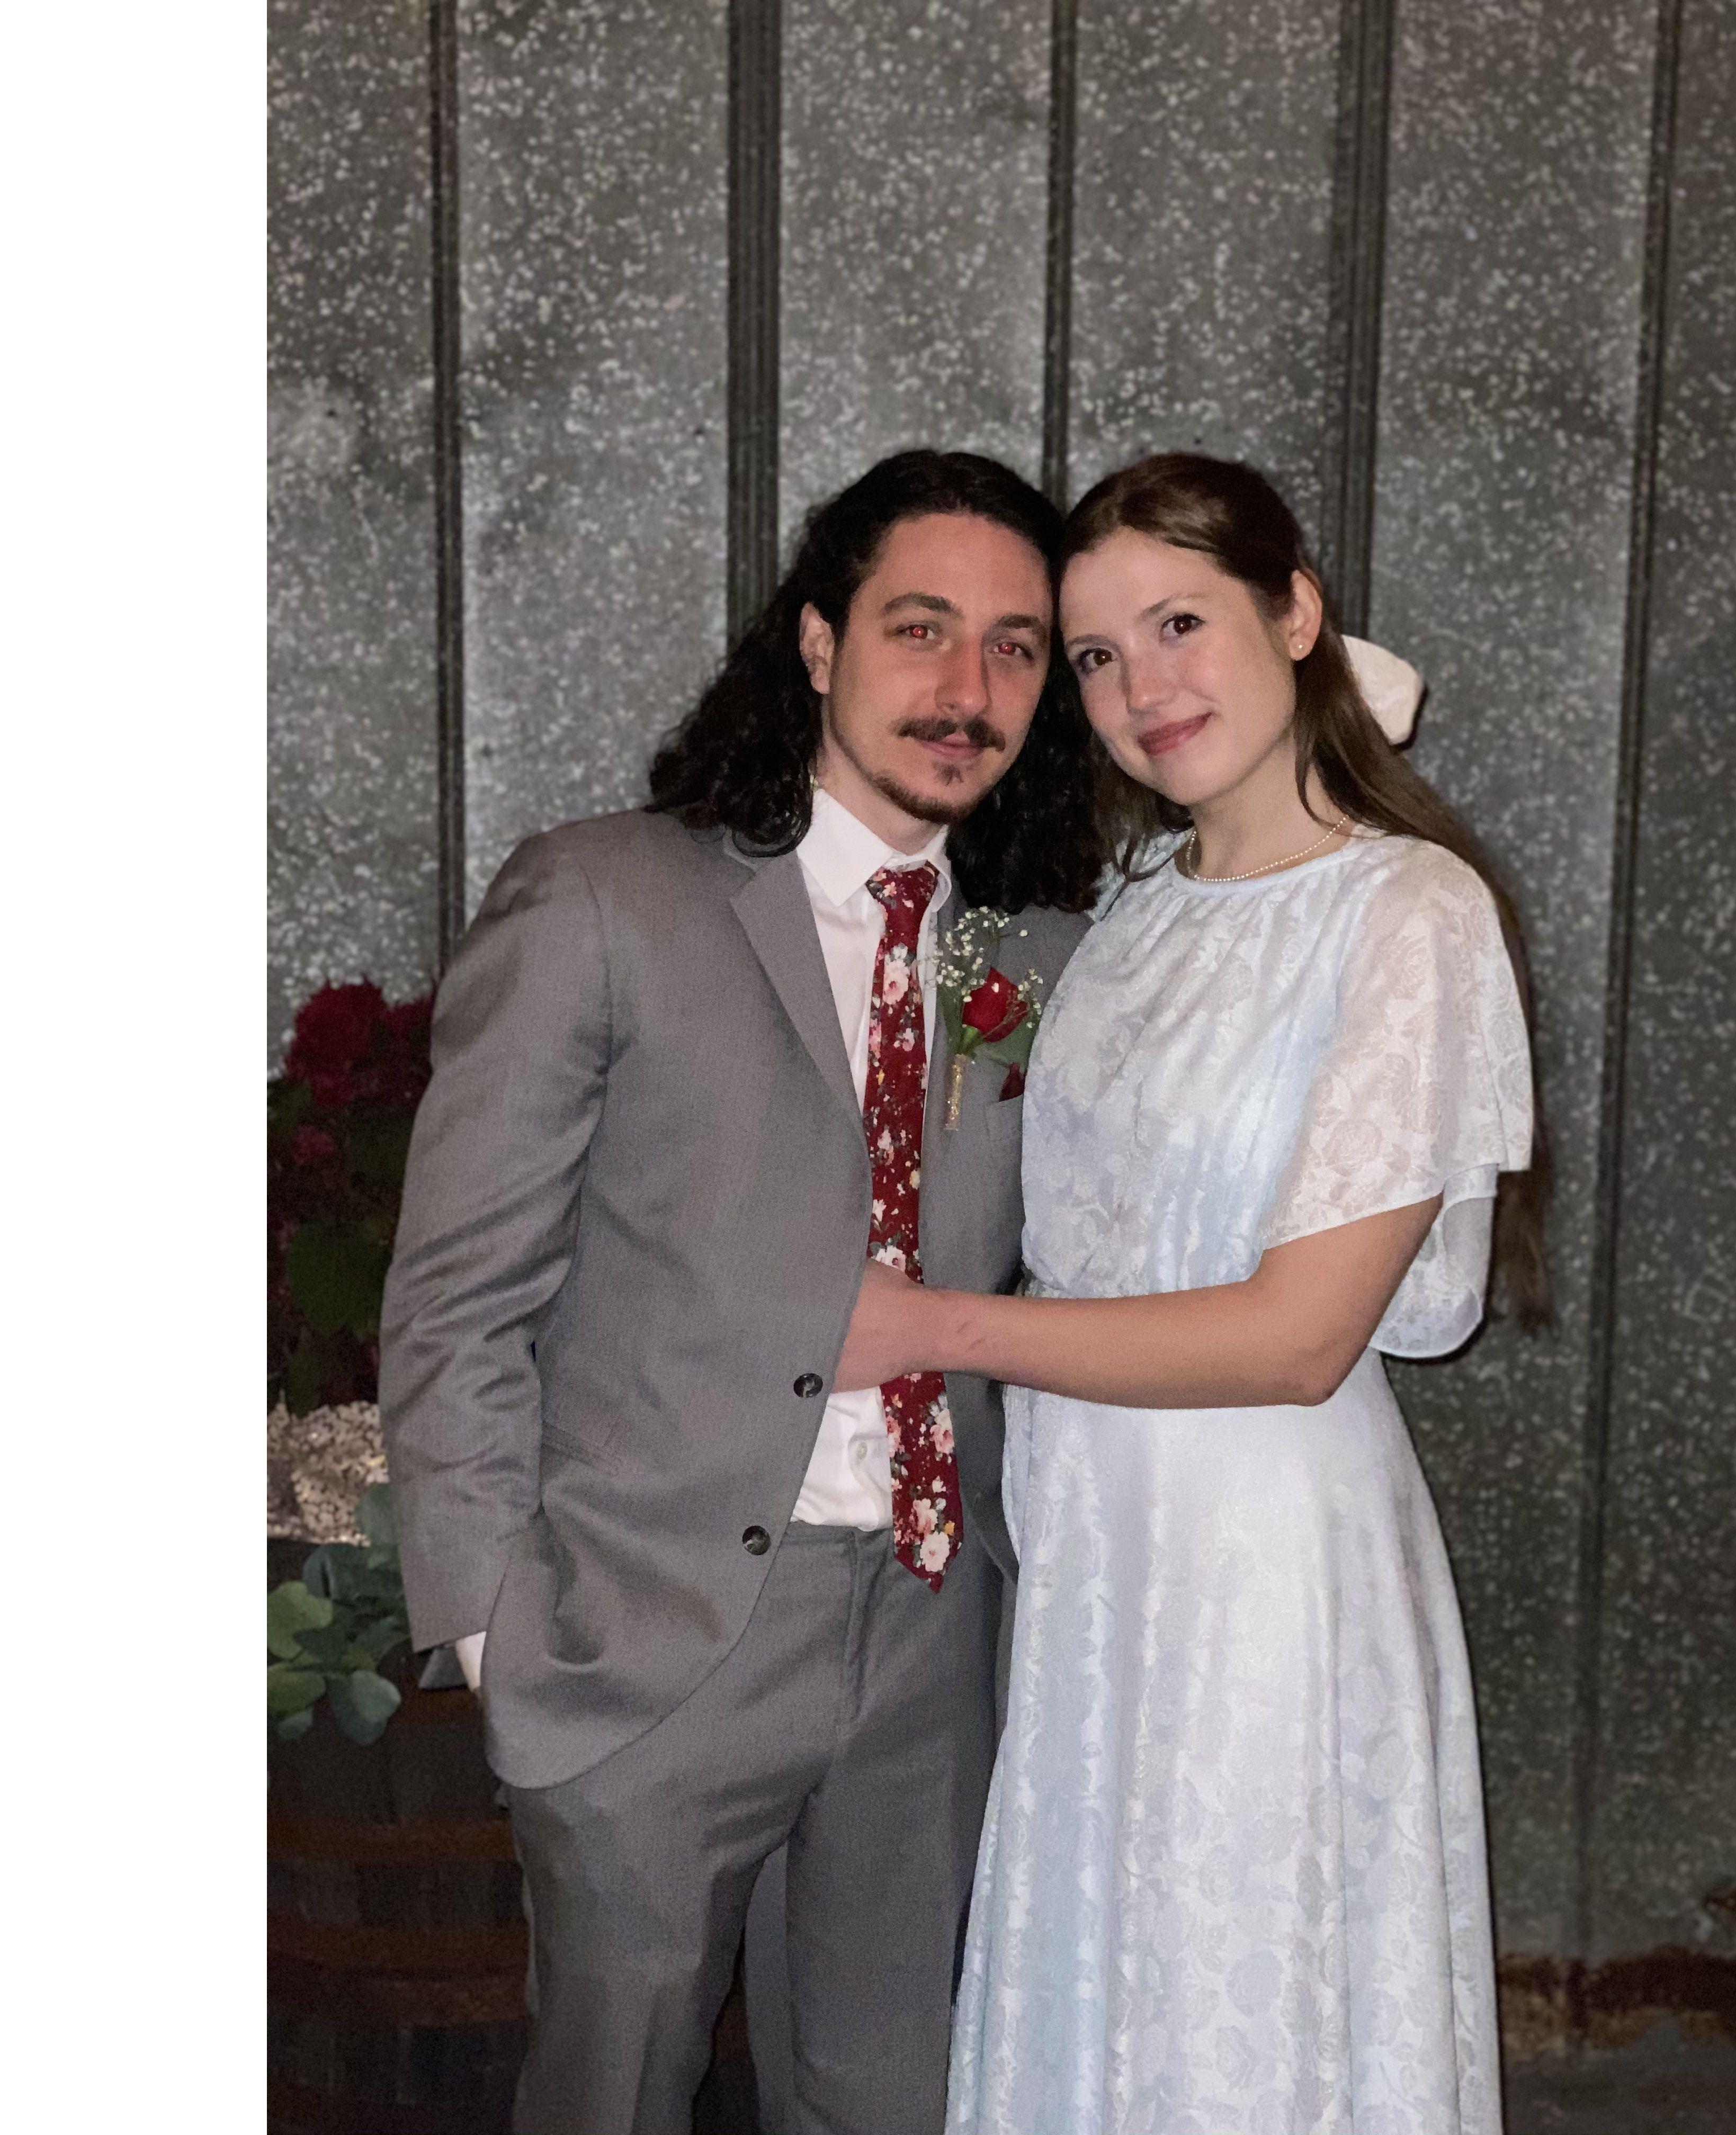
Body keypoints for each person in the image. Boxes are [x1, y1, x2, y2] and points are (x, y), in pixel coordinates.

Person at [379, 448, 1103, 2135]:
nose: (967, 685)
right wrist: (495, 1629)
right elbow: (458, 1294)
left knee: (889, 2100)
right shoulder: (605, 898)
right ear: (819, 642)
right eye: (920, 627)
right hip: (649, 1638)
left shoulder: (1042, 955)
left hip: (932, 1630)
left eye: (1013, 647)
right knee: (613, 2100)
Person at [835, 453, 1550, 2135]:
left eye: (1180, 624)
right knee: (1102, 2002)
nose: (1142, 688)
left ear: (1296, 613)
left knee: (1237, 2015)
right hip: (1094, 1546)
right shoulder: (1135, 903)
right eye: (1094, 655)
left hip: (1260, 1560)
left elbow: (1302, 1338)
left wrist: (931, 1329)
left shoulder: (1410, 910)